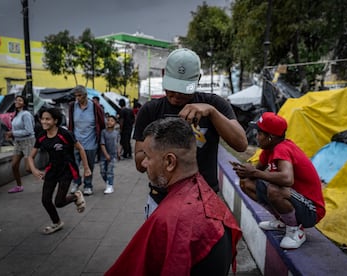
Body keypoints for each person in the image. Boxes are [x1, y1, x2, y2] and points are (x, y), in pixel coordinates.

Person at [105, 118, 242, 276]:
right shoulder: (206, 195)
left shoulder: (168, 219)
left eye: (148, 157)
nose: (144, 163)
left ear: (170, 162)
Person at [133, 48, 248, 217]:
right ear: (165, 76)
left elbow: (241, 144)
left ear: (198, 80)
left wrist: (212, 112)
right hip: (161, 200)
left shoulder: (215, 104)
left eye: (183, 89)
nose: (176, 95)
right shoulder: (150, 110)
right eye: (172, 88)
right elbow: (139, 163)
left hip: (204, 200)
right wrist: (165, 146)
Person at [232, 112, 325, 249]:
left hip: (312, 210)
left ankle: (295, 232)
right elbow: (254, 175)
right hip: (296, 200)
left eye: (259, 133)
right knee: (247, 183)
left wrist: (255, 172)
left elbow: (287, 179)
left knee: (275, 189)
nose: (256, 136)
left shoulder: (282, 149)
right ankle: (282, 221)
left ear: (270, 137)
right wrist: (244, 173)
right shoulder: (268, 149)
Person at [27, 108, 89, 234]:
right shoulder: (41, 136)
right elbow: (30, 156)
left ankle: (75, 196)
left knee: (59, 202)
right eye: (42, 119)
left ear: (55, 120)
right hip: (52, 170)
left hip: (67, 170)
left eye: (47, 119)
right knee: (45, 200)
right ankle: (57, 222)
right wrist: (34, 170)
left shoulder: (65, 134)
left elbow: (80, 149)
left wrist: (86, 168)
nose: (44, 121)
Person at [68, 85, 105, 196]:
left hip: (91, 143)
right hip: (76, 142)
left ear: (85, 95)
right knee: (74, 164)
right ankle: (76, 181)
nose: (77, 98)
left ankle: (88, 185)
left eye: (80, 95)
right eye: (76, 96)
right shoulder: (72, 107)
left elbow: (102, 123)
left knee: (89, 166)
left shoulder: (95, 107)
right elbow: (71, 124)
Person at [5, 95, 35, 193]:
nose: (17, 101)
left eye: (20, 100)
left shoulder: (26, 114)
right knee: (14, 165)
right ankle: (19, 186)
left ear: (24, 103)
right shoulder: (16, 115)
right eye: (16, 100)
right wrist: (11, 135)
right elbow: (16, 130)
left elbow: (29, 131)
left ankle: (49, 179)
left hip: (28, 142)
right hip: (18, 142)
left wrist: (13, 133)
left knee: (29, 169)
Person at [100, 115, 121, 194]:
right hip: (103, 155)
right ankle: (108, 182)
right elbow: (102, 144)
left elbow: (117, 143)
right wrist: (106, 154)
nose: (109, 122)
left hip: (113, 155)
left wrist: (118, 153)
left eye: (112, 120)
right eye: (108, 120)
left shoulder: (116, 133)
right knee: (102, 171)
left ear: (115, 123)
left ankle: (110, 185)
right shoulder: (103, 132)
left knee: (110, 171)